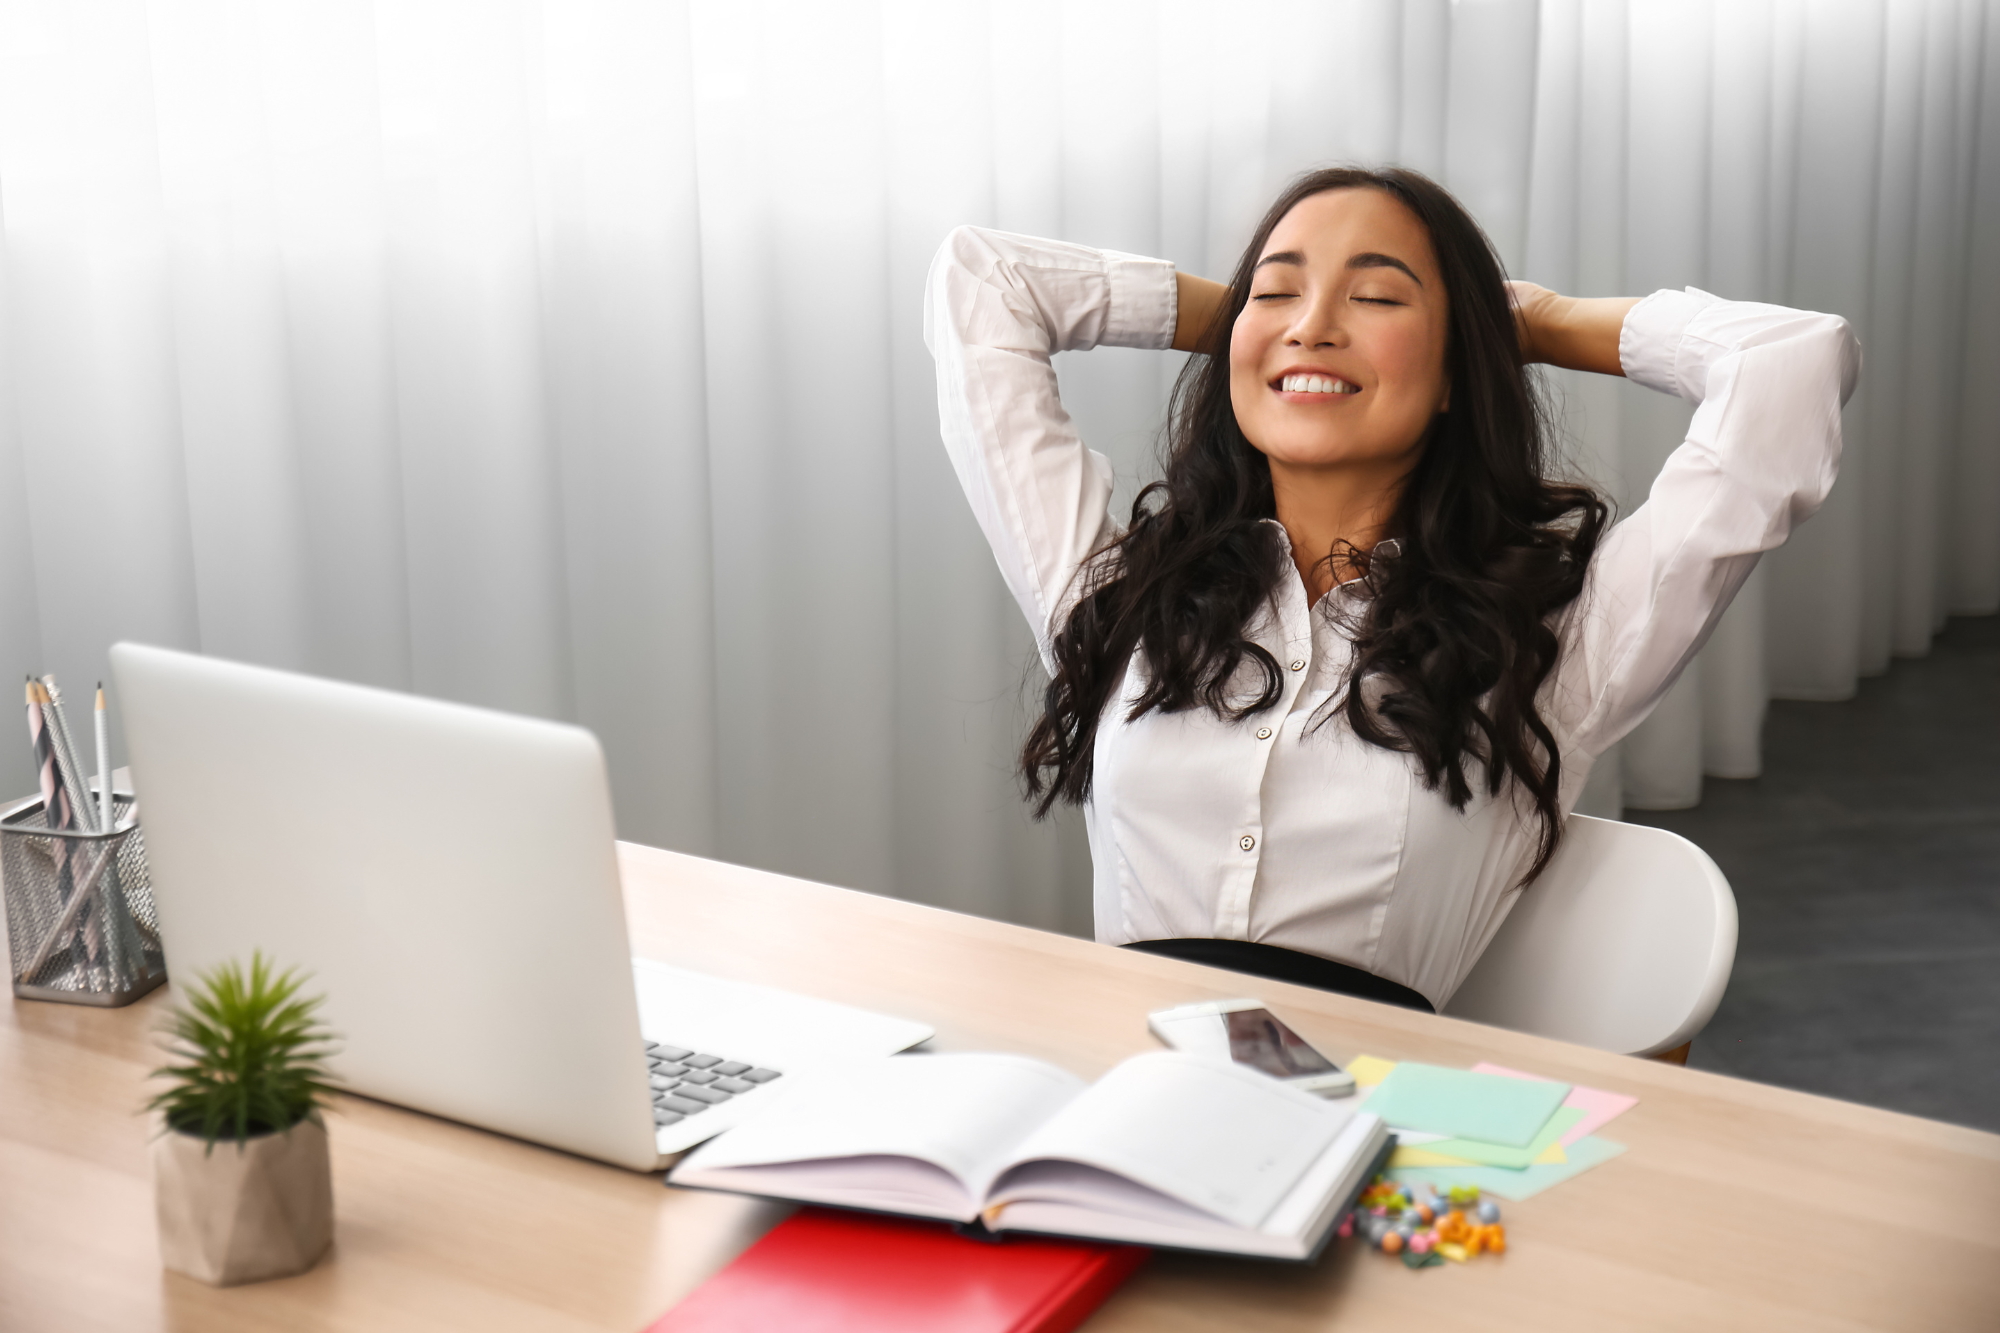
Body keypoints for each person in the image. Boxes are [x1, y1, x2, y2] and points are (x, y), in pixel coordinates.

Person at [924, 166, 1858, 1013]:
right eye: (1277, 290)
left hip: (1368, 1132)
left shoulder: (1557, 640)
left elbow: (1790, 362)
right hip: (1124, 1108)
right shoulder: (1121, 591)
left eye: (1375, 296)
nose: (1314, 320)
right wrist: (1260, 335)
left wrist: (1523, 324)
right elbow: (987, 283)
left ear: (1458, 368)